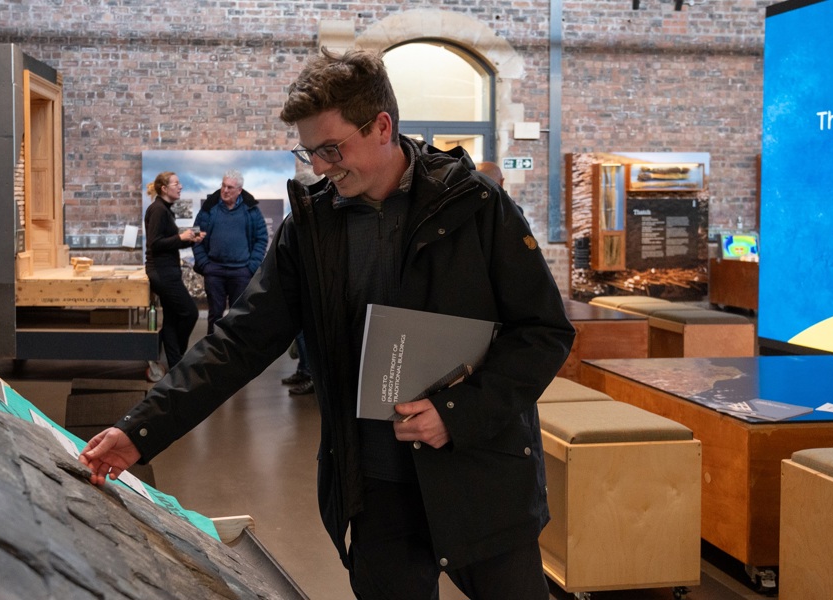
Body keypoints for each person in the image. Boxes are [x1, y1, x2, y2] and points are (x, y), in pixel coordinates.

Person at [80, 49, 575, 599]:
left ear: (382, 126)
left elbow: (544, 332)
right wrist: (140, 430)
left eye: (332, 148)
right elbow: (239, 342)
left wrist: (458, 414)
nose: (319, 166)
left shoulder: (478, 208)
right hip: (376, 489)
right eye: (309, 151)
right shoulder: (311, 229)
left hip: (483, 475)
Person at [143, 171, 205, 379]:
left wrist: (189, 239)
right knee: (189, 313)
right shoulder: (158, 210)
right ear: (164, 189)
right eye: (176, 183)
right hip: (162, 273)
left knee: (171, 318)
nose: (180, 187)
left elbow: (167, 241)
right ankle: (178, 358)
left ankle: (176, 365)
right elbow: (155, 243)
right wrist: (181, 237)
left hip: (167, 270)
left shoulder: (164, 210)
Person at [192, 169, 269, 335]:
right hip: (214, 271)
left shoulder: (251, 210)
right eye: (223, 186)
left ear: (239, 190)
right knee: (215, 315)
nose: (225, 191)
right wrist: (205, 265)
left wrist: (251, 266)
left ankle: (234, 354)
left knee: (238, 316)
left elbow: (261, 238)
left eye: (230, 188)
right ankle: (211, 353)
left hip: (241, 272)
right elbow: (195, 236)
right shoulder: (209, 208)